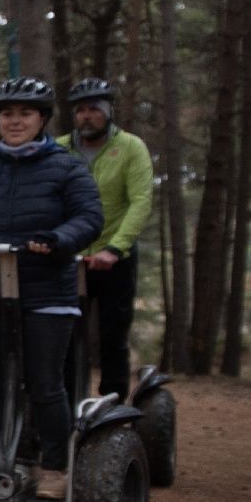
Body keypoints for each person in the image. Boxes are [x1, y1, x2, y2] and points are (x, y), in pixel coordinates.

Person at [0, 77, 103, 500]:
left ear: (42, 119)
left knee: (45, 383)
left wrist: (57, 238)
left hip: (47, 292)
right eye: (7, 114)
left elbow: (88, 217)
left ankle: (53, 468)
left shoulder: (67, 166)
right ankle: (2, 463)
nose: (15, 122)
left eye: (25, 114)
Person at [58, 77, 154, 402]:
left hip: (114, 257)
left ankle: (112, 405)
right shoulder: (59, 149)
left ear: (108, 111)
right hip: (68, 257)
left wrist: (116, 248)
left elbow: (140, 200)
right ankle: (70, 403)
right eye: (80, 110)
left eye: (94, 110)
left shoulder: (130, 147)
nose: (86, 116)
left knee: (114, 337)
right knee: (67, 335)